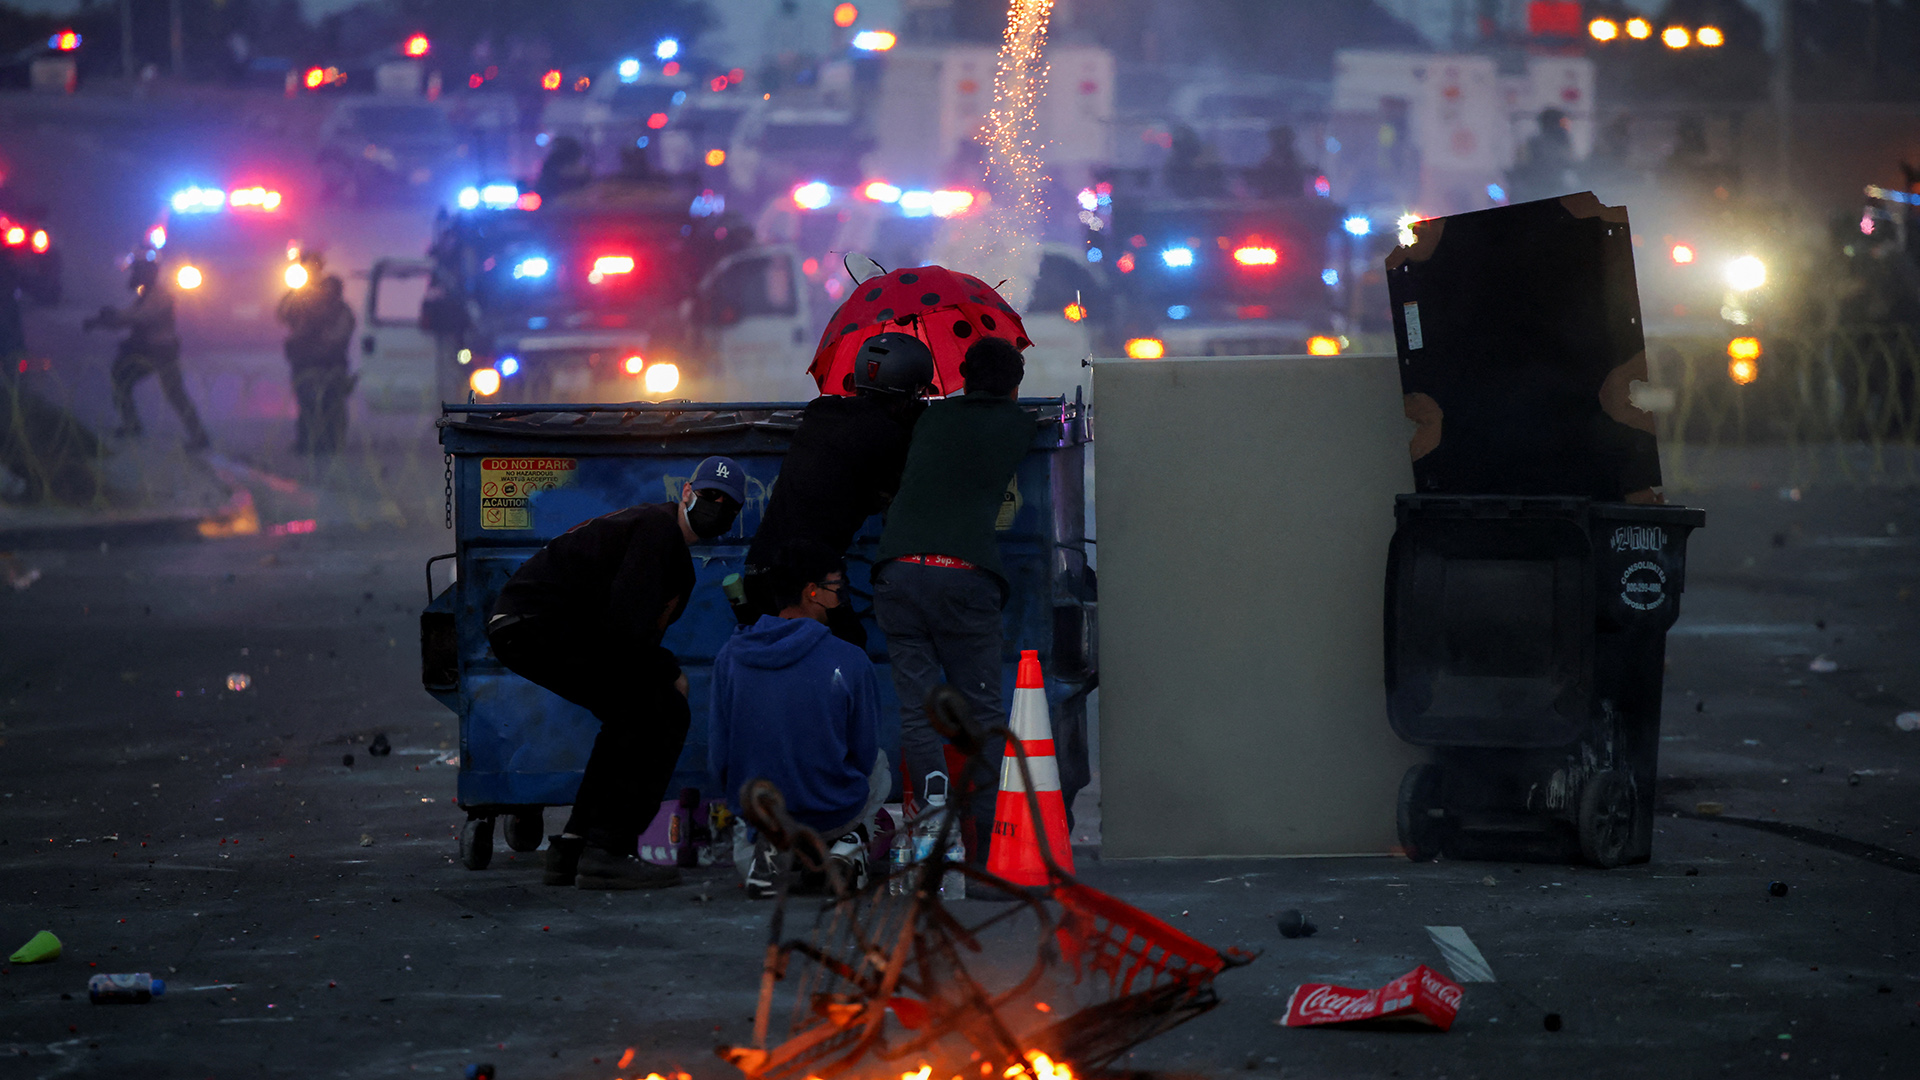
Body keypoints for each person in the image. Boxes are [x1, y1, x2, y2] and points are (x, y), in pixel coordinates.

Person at [487, 455, 746, 890]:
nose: (715, 506)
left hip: (528, 625)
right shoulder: (656, 530)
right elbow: (626, 625)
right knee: (663, 710)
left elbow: (626, 632)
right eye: (708, 496)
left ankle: (574, 846)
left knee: (632, 712)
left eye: (727, 503)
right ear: (686, 493)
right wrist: (668, 672)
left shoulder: (663, 543)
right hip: (539, 624)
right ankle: (609, 850)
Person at [872, 336, 1036, 865]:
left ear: (962, 376)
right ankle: (987, 844)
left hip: (899, 572)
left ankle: (931, 828)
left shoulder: (931, 419)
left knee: (920, 714)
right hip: (965, 577)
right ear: (1014, 386)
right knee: (984, 712)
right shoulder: (1019, 425)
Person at [710, 539, 888, 898]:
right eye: (837, 588)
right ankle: (847, 850)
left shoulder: (730, 657)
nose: (841, 597)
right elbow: (864, 752)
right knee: (880, 765)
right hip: (832, 813)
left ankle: (774, 851)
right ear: (813, 592)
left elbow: (719, 758)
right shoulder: (851, 660)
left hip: (764, 816)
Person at [738, 331, 934, 646]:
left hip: (759, 568)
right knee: (849, 646)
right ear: (907, 394)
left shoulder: (820, 414)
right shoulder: (888, 437)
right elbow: (896, 496)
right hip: (807, 579)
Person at [88, 254, 209, 451]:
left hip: (162, 351)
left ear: (148, 274)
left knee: (174, 393)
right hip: (150, 350)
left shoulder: (160, 295)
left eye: (138, 271)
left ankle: (199, 437)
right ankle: (132, 424)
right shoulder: (147, 294)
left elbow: (140, 317)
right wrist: (101, 322)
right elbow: (131, 316)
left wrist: (113, 317)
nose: (134, 275)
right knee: (121, 379)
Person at [278, 266, 357, 456]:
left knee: (331, 407)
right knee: (307, 406)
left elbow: (336, 338)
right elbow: (283, 314)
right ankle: (307, 443)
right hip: (307, 365)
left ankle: (330, 444)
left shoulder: (342, 312)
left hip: (331, 365)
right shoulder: (309, 308)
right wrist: (296, 291)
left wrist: (311, 341)